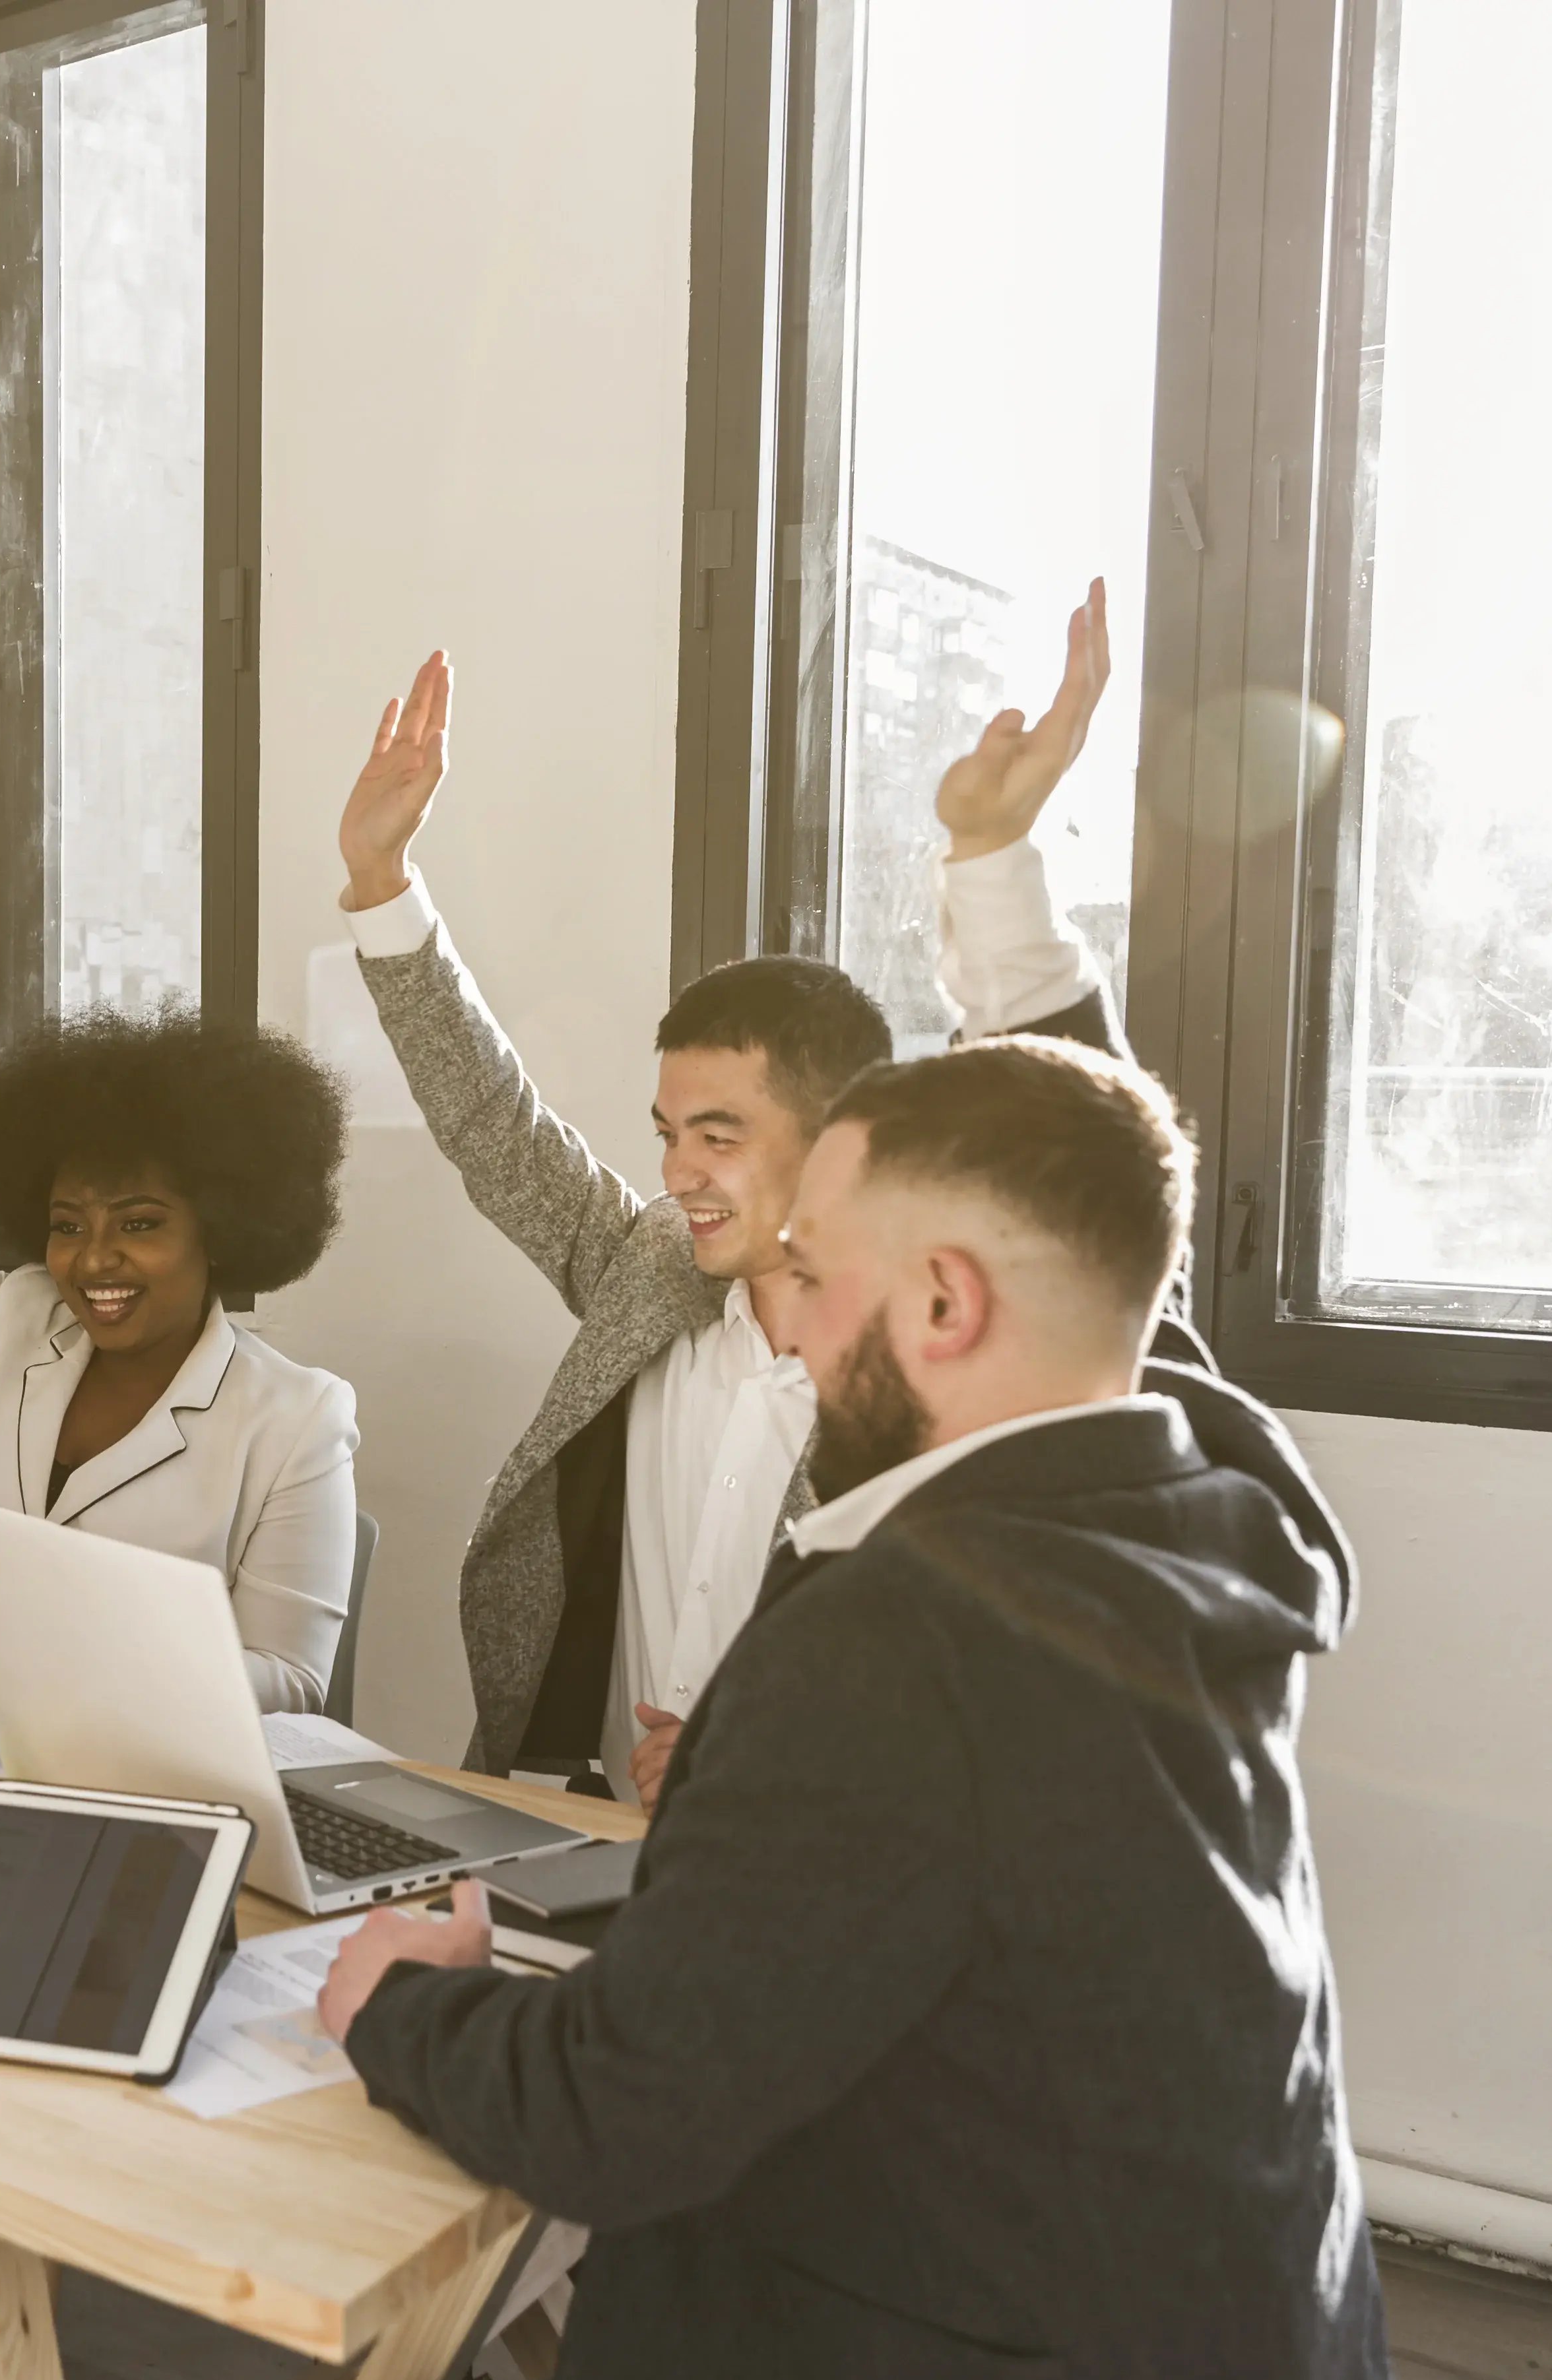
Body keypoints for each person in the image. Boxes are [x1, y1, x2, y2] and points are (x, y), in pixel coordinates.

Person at [293, 1035, 1400, 2380]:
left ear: (946, 1302)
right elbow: (1127, 1271)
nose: (790, 1333)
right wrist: (1002, 887)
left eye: (811, 1277)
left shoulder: (903, 1637)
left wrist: (401, 2003)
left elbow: (617, 2122)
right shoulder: (1210, 1515)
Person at [339, 579, 1166, 1800]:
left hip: (806, 1861)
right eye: (669, 1132)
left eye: (720, 1136)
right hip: (586, 1834)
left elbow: (978, 1719)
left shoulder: (932, 1374)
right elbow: (487, 1120)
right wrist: (378, 880)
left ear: (841, 1145)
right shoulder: (650, 1266)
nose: (679, 1171)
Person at [0, 827, 360, 1714]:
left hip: (139, 1777)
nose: (94, 1259)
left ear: (223, 1226)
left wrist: (72, 1666)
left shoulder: (294, 1419)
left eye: (139, 1223)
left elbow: (289, 1682)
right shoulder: (15, 1321)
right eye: (66, 1224)